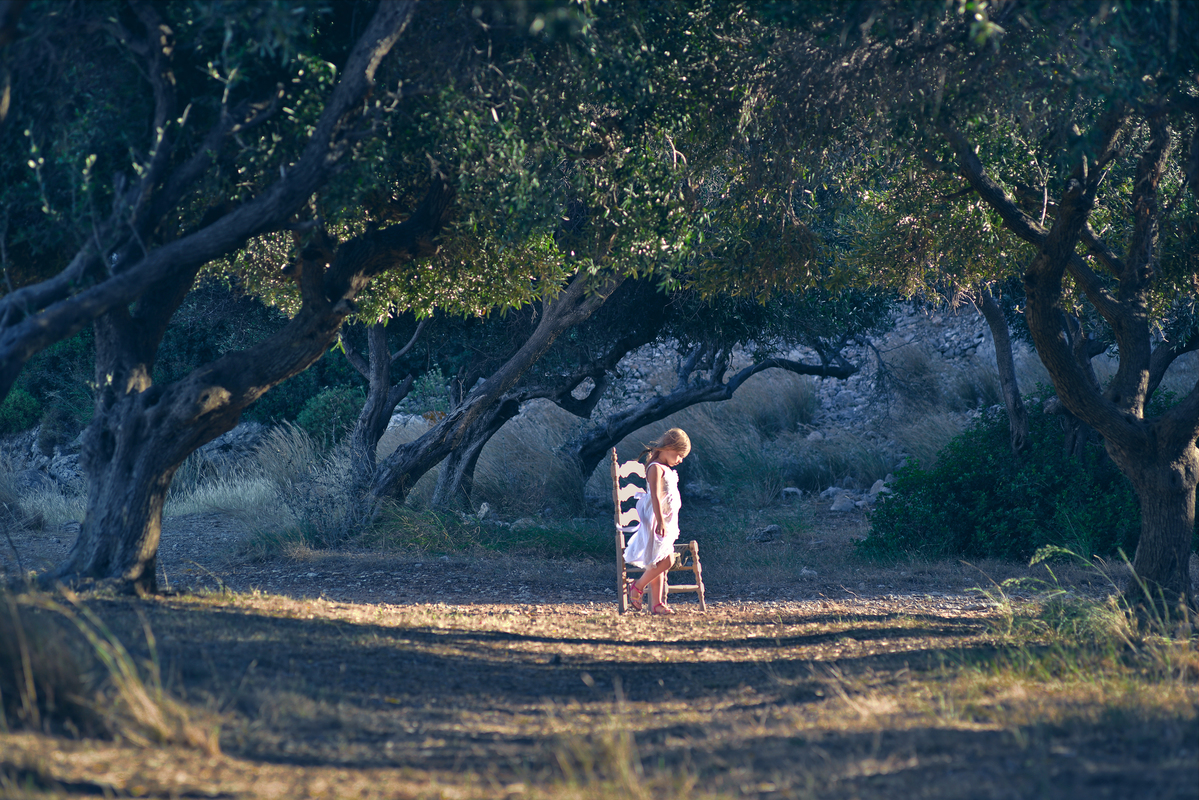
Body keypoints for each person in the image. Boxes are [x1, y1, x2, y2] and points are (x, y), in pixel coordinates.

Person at [623, 428, 691, 615]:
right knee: (667, 560)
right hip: (655, 520)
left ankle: (657, 604)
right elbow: (654, 496)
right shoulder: (655, 468)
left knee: (658, 560)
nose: (680, 460)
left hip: (666, 521)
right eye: (679, 455)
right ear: (668, 448)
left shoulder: (665, 468)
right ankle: (637, 587)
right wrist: (660, 521)